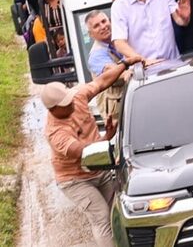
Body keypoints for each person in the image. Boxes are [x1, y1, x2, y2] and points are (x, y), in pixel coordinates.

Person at [43, 53, 143, 247]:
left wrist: (125, 63)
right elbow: (83, 152)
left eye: (70, 99)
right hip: (75, 180)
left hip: (99, 168)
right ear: (53, 109)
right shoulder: (55, 133)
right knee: (101, 217)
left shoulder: (76, 96)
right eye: (65, 105)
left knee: (116, 211)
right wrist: (106, 141)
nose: (72, 104)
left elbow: (102, 81)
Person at [84, 10, 126, 123]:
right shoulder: (96, 54)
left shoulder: (121, 40)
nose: (103, 27)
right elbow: (110, 70)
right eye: (96, 26)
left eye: (104, 21)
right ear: (90, 34)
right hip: (118, 116)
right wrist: (127, 71)